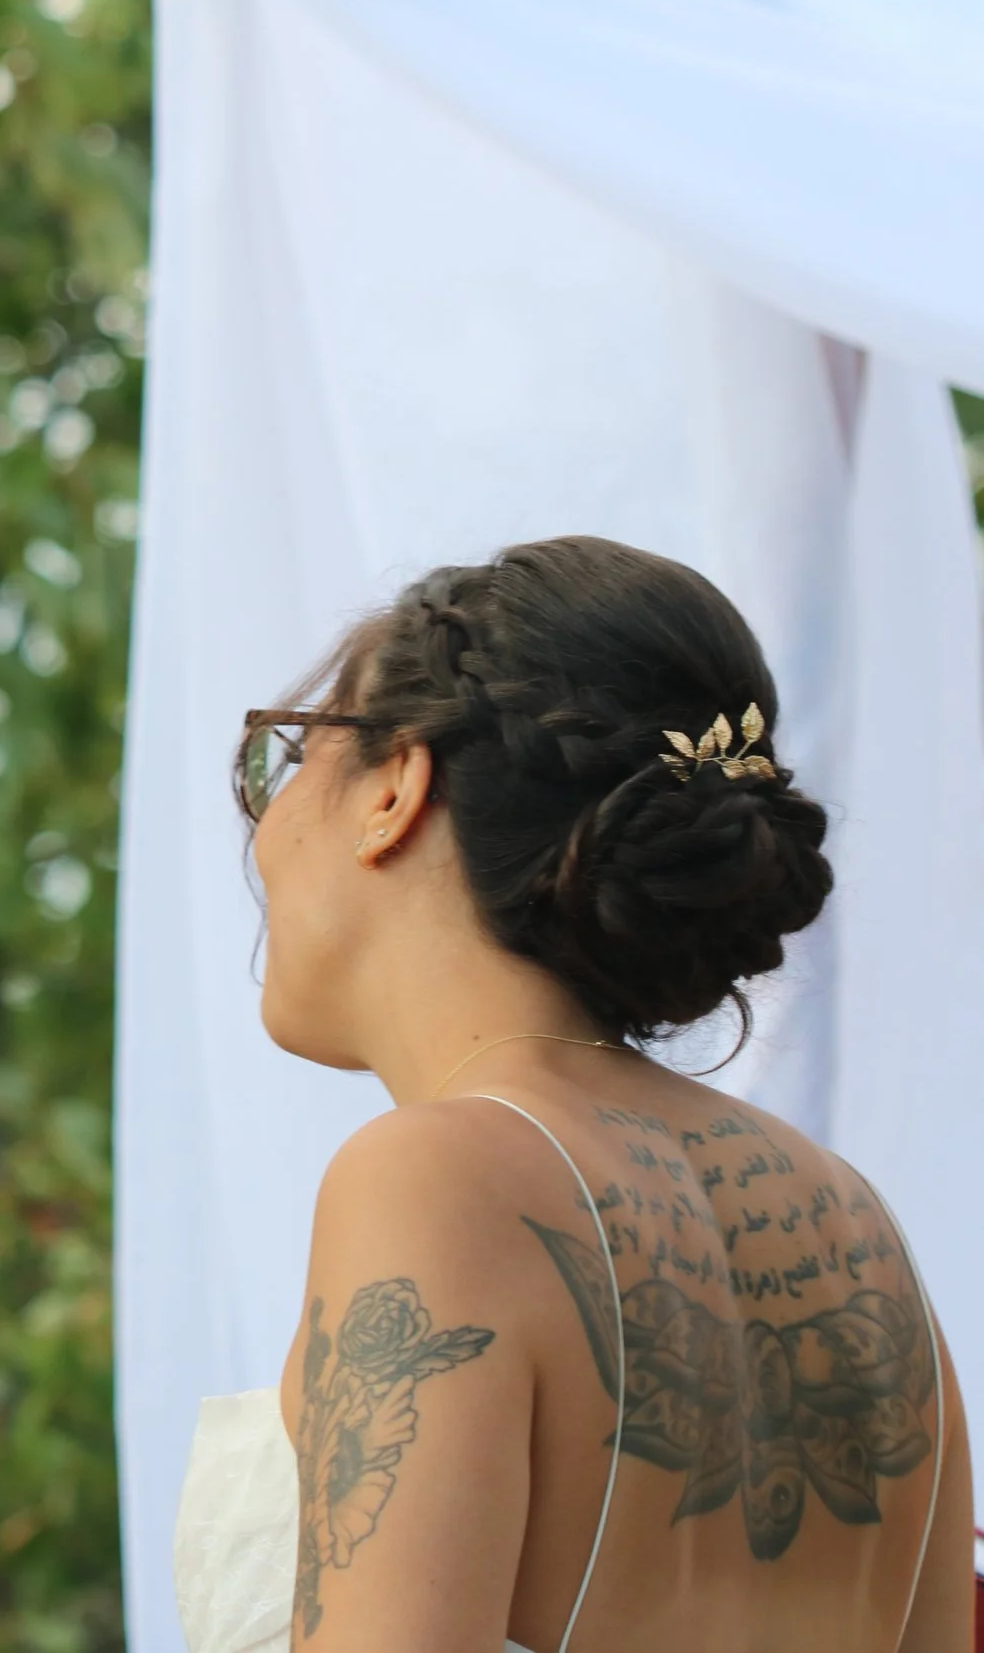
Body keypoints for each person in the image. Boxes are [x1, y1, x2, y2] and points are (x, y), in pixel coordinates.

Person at [173, 535, 973, 1652]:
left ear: (395, 786)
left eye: (288, 758)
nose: (263, 833)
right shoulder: (855, 1226)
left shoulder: (439, 1177)